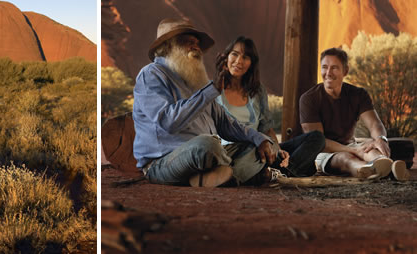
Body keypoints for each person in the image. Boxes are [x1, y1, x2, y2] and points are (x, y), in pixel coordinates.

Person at [132, 18, 279, 187]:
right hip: (164, 162)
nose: (196, 48)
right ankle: (236, 174)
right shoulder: (151, 74)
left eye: (197, 43)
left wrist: (260, 139)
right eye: (188, 42)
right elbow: (168, 122)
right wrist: (211, 91)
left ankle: (217, 177)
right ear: (168, 46)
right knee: (207, 144)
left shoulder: (195, 81)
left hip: (208, 158)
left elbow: (226, 124)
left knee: (255, 143)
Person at [213, 36, 324, 178]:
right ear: (226, 57)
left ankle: (281, 170)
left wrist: (277, 149)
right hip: (233, 153)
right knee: (254, 149)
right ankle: (287, 171)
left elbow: (266, 128)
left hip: (262, 148)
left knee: (317, 138)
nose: (239, 61)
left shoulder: (257, 91)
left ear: (251, 64)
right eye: (234, 54)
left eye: (246, 57)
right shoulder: (214, 91)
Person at [301, 48, 407, 180]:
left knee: (372, 151)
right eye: (324, 67)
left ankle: (386, 166)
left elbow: (374, 123)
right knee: (345, 158)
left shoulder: (358, 94)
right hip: (322, 151)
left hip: (351, 145)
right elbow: (319, 142)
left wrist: (380, 139)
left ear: (345, 71)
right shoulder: (309, 99)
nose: (328, 73)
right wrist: (355, 150)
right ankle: (373, 171)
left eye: (334, 68)